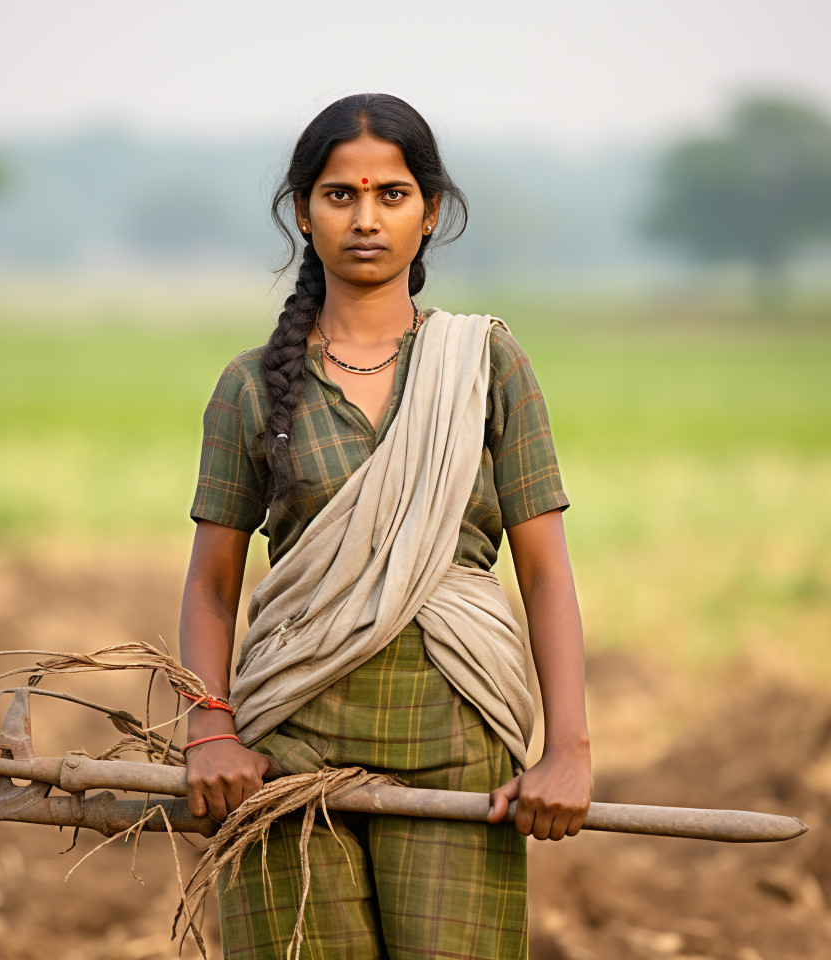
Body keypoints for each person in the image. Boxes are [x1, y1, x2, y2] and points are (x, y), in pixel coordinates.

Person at [178, 93, 593, 960]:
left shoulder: (485, 364)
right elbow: (212, 586)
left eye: (392, 195)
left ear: (430, 210)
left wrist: (569, 751)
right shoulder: (251, 387)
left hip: (457, 752)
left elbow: (546, 574)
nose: (366, 219)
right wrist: (210, 727)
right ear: (303, 211)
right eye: (340, 196)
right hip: (286, 757)